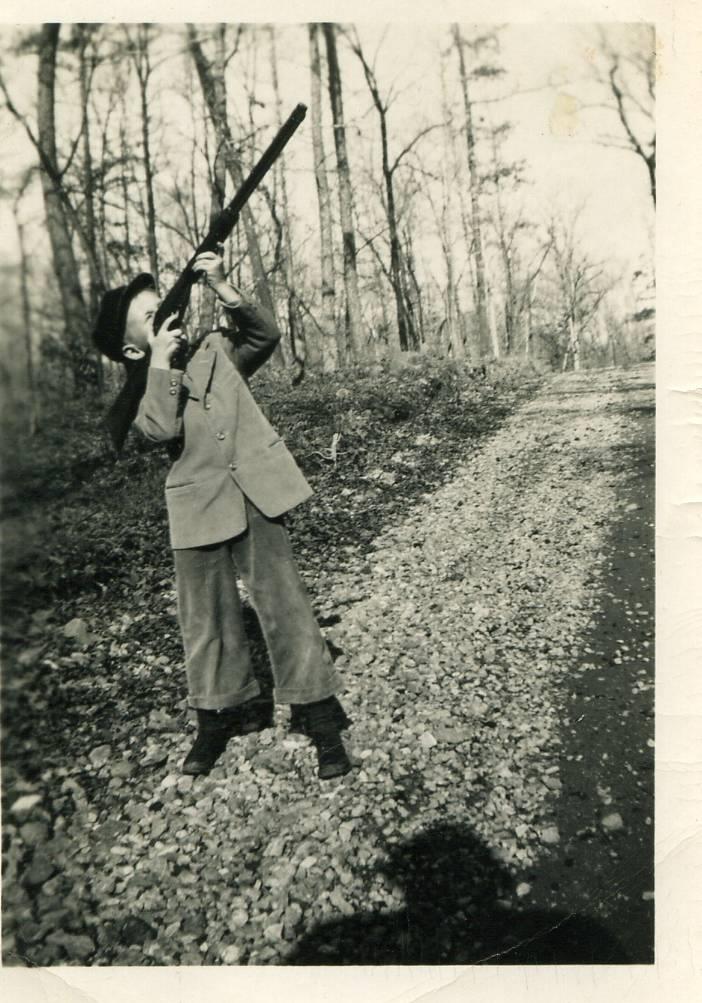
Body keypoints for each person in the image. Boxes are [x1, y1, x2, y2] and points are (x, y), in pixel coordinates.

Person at [92, 250, 352, 780]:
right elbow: (159, 429)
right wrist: (160, 362)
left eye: (166, 306)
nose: (166, 317)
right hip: (196, 505)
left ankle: (319, 712)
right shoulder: (144, 386)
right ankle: (215, 718)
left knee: (286, 605)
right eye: (151, 317)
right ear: (132, 347)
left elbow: (265, 336)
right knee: (205, 619)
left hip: (255, 491)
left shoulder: (216, 347)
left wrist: (223, 286)